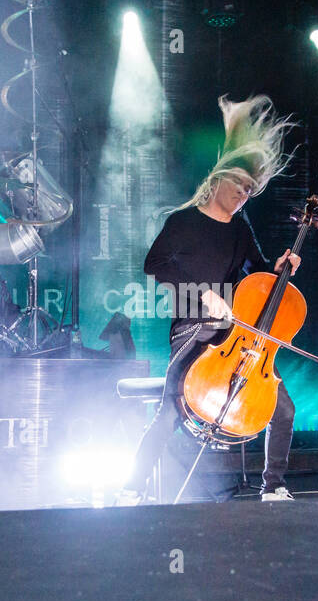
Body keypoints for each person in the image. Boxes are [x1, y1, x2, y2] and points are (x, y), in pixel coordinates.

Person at [118, 95, 301, 504]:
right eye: (240, 185)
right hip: (192, 327)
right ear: (219, 179)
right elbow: (155, 263)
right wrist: (203, 294)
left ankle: (274, 486)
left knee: (283, 409)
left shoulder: (240, 228)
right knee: (170, 410)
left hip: (235, 333)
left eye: (250, 191)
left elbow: (259, 273)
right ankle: (132, 488)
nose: (244, 195)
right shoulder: (183, 221)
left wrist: (283, 264)